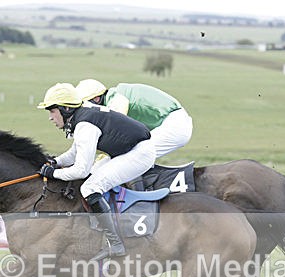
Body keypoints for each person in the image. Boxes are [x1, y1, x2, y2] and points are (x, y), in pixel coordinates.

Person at [37, 82, 156, 262]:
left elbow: (80, 170)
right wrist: (55, 161)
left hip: (139, 153)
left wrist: (53, 173)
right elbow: (75, 153)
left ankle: (115, 243)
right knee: (92, 181)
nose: (50, 117)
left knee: (90, 188)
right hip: (128, 150)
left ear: (66, 109)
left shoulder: (85, 126)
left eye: (52, 111)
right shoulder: (82, 115)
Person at [75, 79, 192, 159]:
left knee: (133, 157)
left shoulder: (116, 99)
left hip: (175, 124)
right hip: (174, 122)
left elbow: (115, 128)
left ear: (96, 99)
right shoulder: (115, 94)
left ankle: (140, 194)